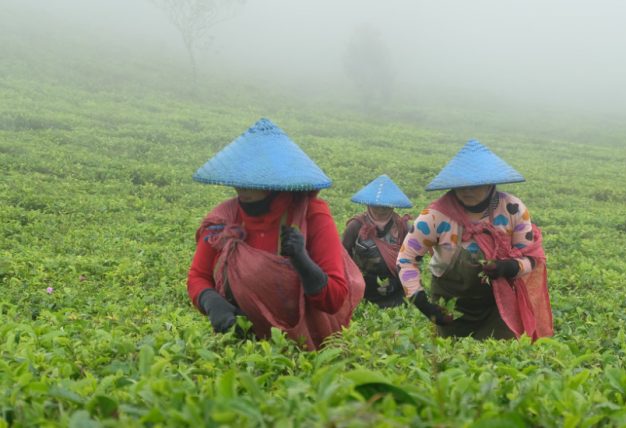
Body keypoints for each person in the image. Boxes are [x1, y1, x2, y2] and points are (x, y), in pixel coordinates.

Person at [187, 118, 364, 350]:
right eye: (239, 179)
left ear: (275, 180)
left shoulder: (310, 215)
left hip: (307, 347)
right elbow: (198, 276)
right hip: (245, 345)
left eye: (253, 180)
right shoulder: (223, 219)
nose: (243, 188)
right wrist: (211, 301)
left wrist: (303, 262)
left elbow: (334, 299)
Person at [396, 139, 553, 340]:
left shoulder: (512, 209)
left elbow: (532, 257)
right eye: (461, 184)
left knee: (498, 360)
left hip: (499, 304)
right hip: (449, 304)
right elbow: (406, 259)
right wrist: (422, 302)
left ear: (490, 183)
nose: (467, 190)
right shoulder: (434, 216)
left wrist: (510, 267)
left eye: (475, 184)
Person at [342, 175, 412, 308]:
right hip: (362, 292)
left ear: (393, 206)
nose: (381, 210)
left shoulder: (403, 228)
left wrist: (395, 283)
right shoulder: (356, 226)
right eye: (376, 205)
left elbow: (413, 262)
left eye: (385, 206)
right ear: (368, 204)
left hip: (396, 294)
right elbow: (341, 258)